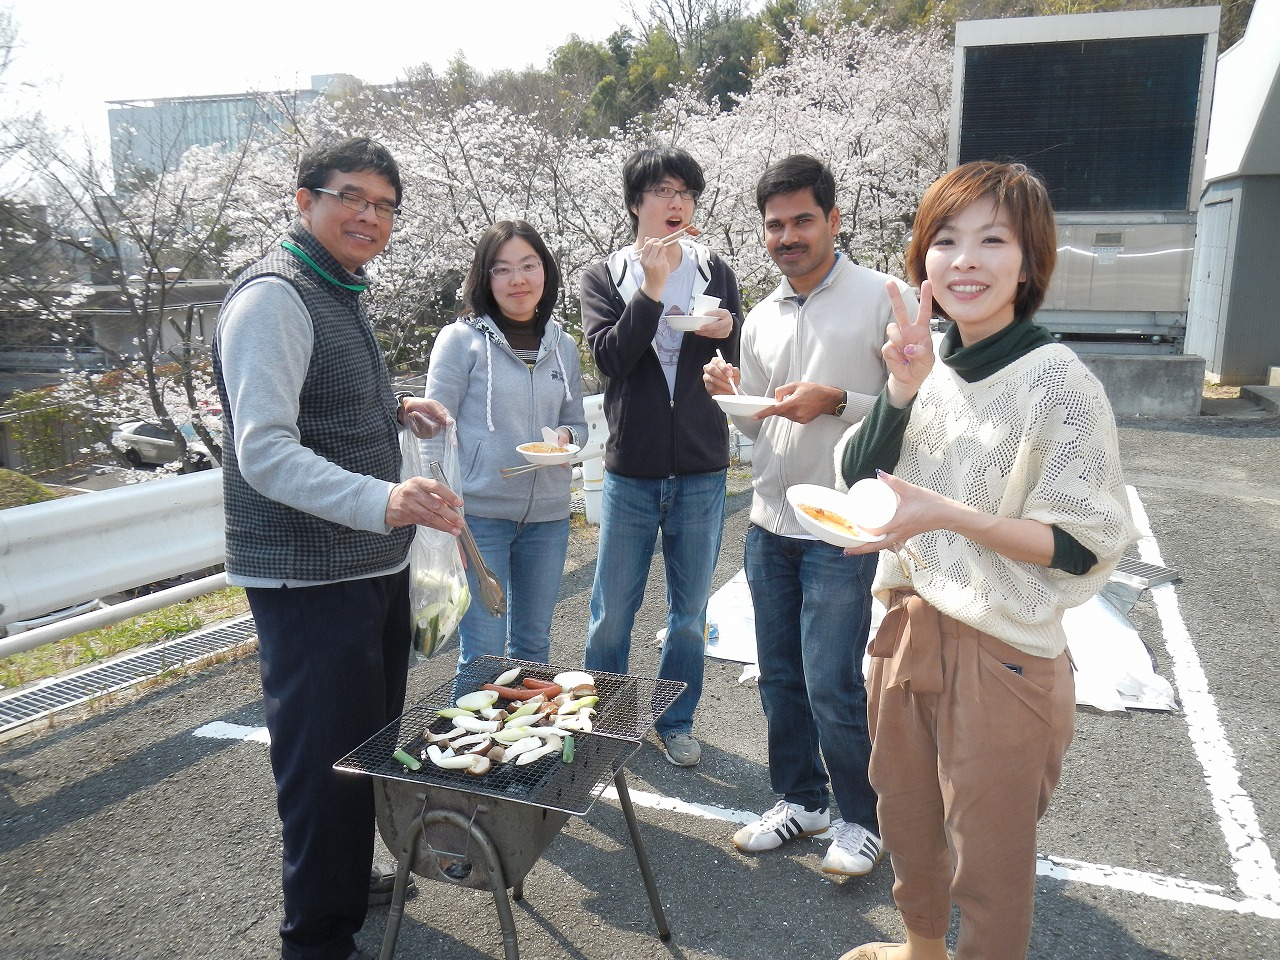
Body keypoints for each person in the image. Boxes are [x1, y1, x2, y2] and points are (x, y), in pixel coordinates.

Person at [833, 162, 1136, 960]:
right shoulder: (929, 364)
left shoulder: (1059, 381)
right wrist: (900, 392)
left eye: (993, 240)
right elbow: (857, 480)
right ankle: (921, 950)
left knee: (991, 862)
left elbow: (1082, 541)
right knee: (907, 820)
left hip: (1002, 653)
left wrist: (947, 516)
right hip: (906, 631)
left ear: (1029, 263)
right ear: (922, 261)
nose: (965, 259)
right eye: (946, 240)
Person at [213, 137, 464, 960]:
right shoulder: (275, 296)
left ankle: (347, 882)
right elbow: (265, 450)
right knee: (324, 768)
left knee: (364, 750)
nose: (369, 216)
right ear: (304, 200)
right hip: (307, 576)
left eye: (384, 205)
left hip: (368, 563)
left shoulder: (335, 286)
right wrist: (384, 499)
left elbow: (317, 397)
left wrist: (394, 409)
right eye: (351, 196)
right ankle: (317, 940)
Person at [703, 154, 913, 877]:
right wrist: (732, 396)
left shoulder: (885, 298)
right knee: (779, 675)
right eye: (775, 225)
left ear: (833, 220)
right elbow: (761, 425)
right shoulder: (761, 317)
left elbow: (920, 408)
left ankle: (861, 818)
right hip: (770, 523)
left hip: (842, 525)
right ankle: (801, 798)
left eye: (802, 221)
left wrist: (839, 401)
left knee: (831, 680)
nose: (787, 237)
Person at [580, 146, 743, 767]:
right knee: (611, 613)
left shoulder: (713, 269)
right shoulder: (605, 276)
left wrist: (727, 332)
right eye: (663, 192)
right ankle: (607, 720)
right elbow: (611, 359)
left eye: (685, 193)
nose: (677, 203)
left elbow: (734, 357)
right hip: (632, 470)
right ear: (635, 204)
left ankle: (676, 719)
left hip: (702, 466)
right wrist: (649, 290)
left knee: (689, 614)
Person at [426, 220, 586, 674]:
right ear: (485, 277)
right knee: (483, 654)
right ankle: (473, 725)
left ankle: (523, 725)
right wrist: (441, 513)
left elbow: (577, 424)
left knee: (534, 645)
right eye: (503, 269)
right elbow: (432, 429)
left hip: (548, 517)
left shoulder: (563, 346)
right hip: (478, 517)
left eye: (529, 266)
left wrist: (566, 439)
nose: (518, 279)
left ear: (545, 272)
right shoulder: (461, 340)